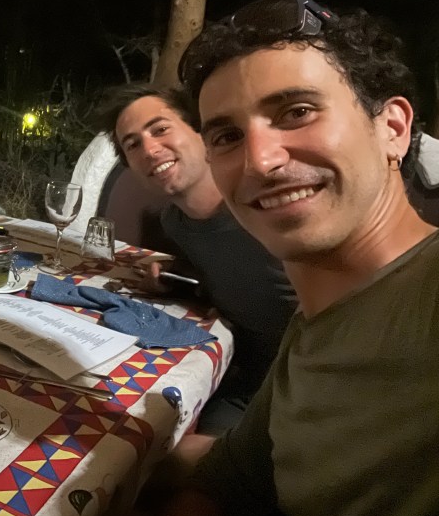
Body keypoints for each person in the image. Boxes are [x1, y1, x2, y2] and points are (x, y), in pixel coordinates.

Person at [158, 0, 439, 516]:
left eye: (297, 111)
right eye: (227, 136)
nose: (260, 160)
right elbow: (236, 475)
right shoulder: (310, 330)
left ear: (393, 129)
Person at [97, 84, 296, 435]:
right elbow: (233, 274)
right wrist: (178, 277)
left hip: (310, 393)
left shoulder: (269, 205)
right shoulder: (175, 223)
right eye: (133, 144)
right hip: (245, 386)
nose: (150, 149)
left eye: (160, 129)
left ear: (201, 132)